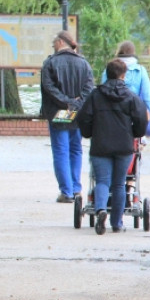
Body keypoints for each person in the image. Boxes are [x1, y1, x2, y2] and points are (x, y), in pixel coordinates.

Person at [76, 58, 149, 234]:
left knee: (102, 181)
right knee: (119, 184)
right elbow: (141, 119)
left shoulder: (95, 95)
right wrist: (136, 133)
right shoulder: (131, 97)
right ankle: (117, 223)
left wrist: (89, 132)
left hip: (100, 144)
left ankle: (101, 209)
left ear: (107, 74)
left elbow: (83, 117)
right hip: (124, 146)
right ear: (124, 75)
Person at [40, 30, 94, 203]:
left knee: (61, 150)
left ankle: (66, 191)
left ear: (61, 42)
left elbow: (49, 88)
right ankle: (76, 188)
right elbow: (89, 89)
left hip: (58, 112)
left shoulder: (50, 63)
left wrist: (66, 102)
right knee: (76, 149)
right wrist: (75, 104)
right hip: (77, 113)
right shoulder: (84, 64)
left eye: (54, 43)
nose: (53, 46)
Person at [101, 41, 150, 135]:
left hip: (112, 116)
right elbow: (148, 97)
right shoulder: (140, 70)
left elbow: (103, 93)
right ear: (133, 52)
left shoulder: (108, 70)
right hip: (134, 116)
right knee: (138, 141)